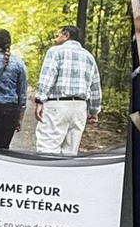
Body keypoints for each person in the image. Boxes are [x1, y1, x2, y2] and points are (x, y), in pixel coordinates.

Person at [34, 25, 102, 156]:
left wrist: (40, 100)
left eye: (57, 35)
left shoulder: (55, 52)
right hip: (80, 108)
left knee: (47, 148)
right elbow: (95, 86)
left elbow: (47, 76)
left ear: (66, 35)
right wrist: (94, 111)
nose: (55, 39)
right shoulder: (89, 57)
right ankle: (65, 176)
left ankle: (47, 176)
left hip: (57, 105)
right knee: (70, 152)